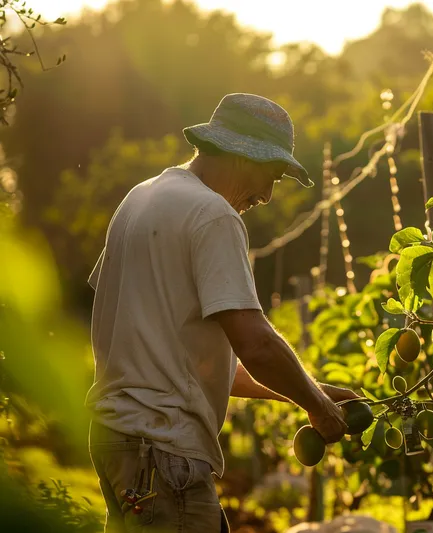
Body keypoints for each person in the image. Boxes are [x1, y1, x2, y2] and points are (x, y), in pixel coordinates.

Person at [85, 93, 358, 532]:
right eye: (270, 176)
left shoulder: (141, 198)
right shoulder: (213, 215)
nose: (267, 196)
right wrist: (321, 411)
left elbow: (199, 365)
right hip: (163, 448)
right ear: (240, 155)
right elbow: (256, 343)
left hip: (117, 441)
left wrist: (309, 391)